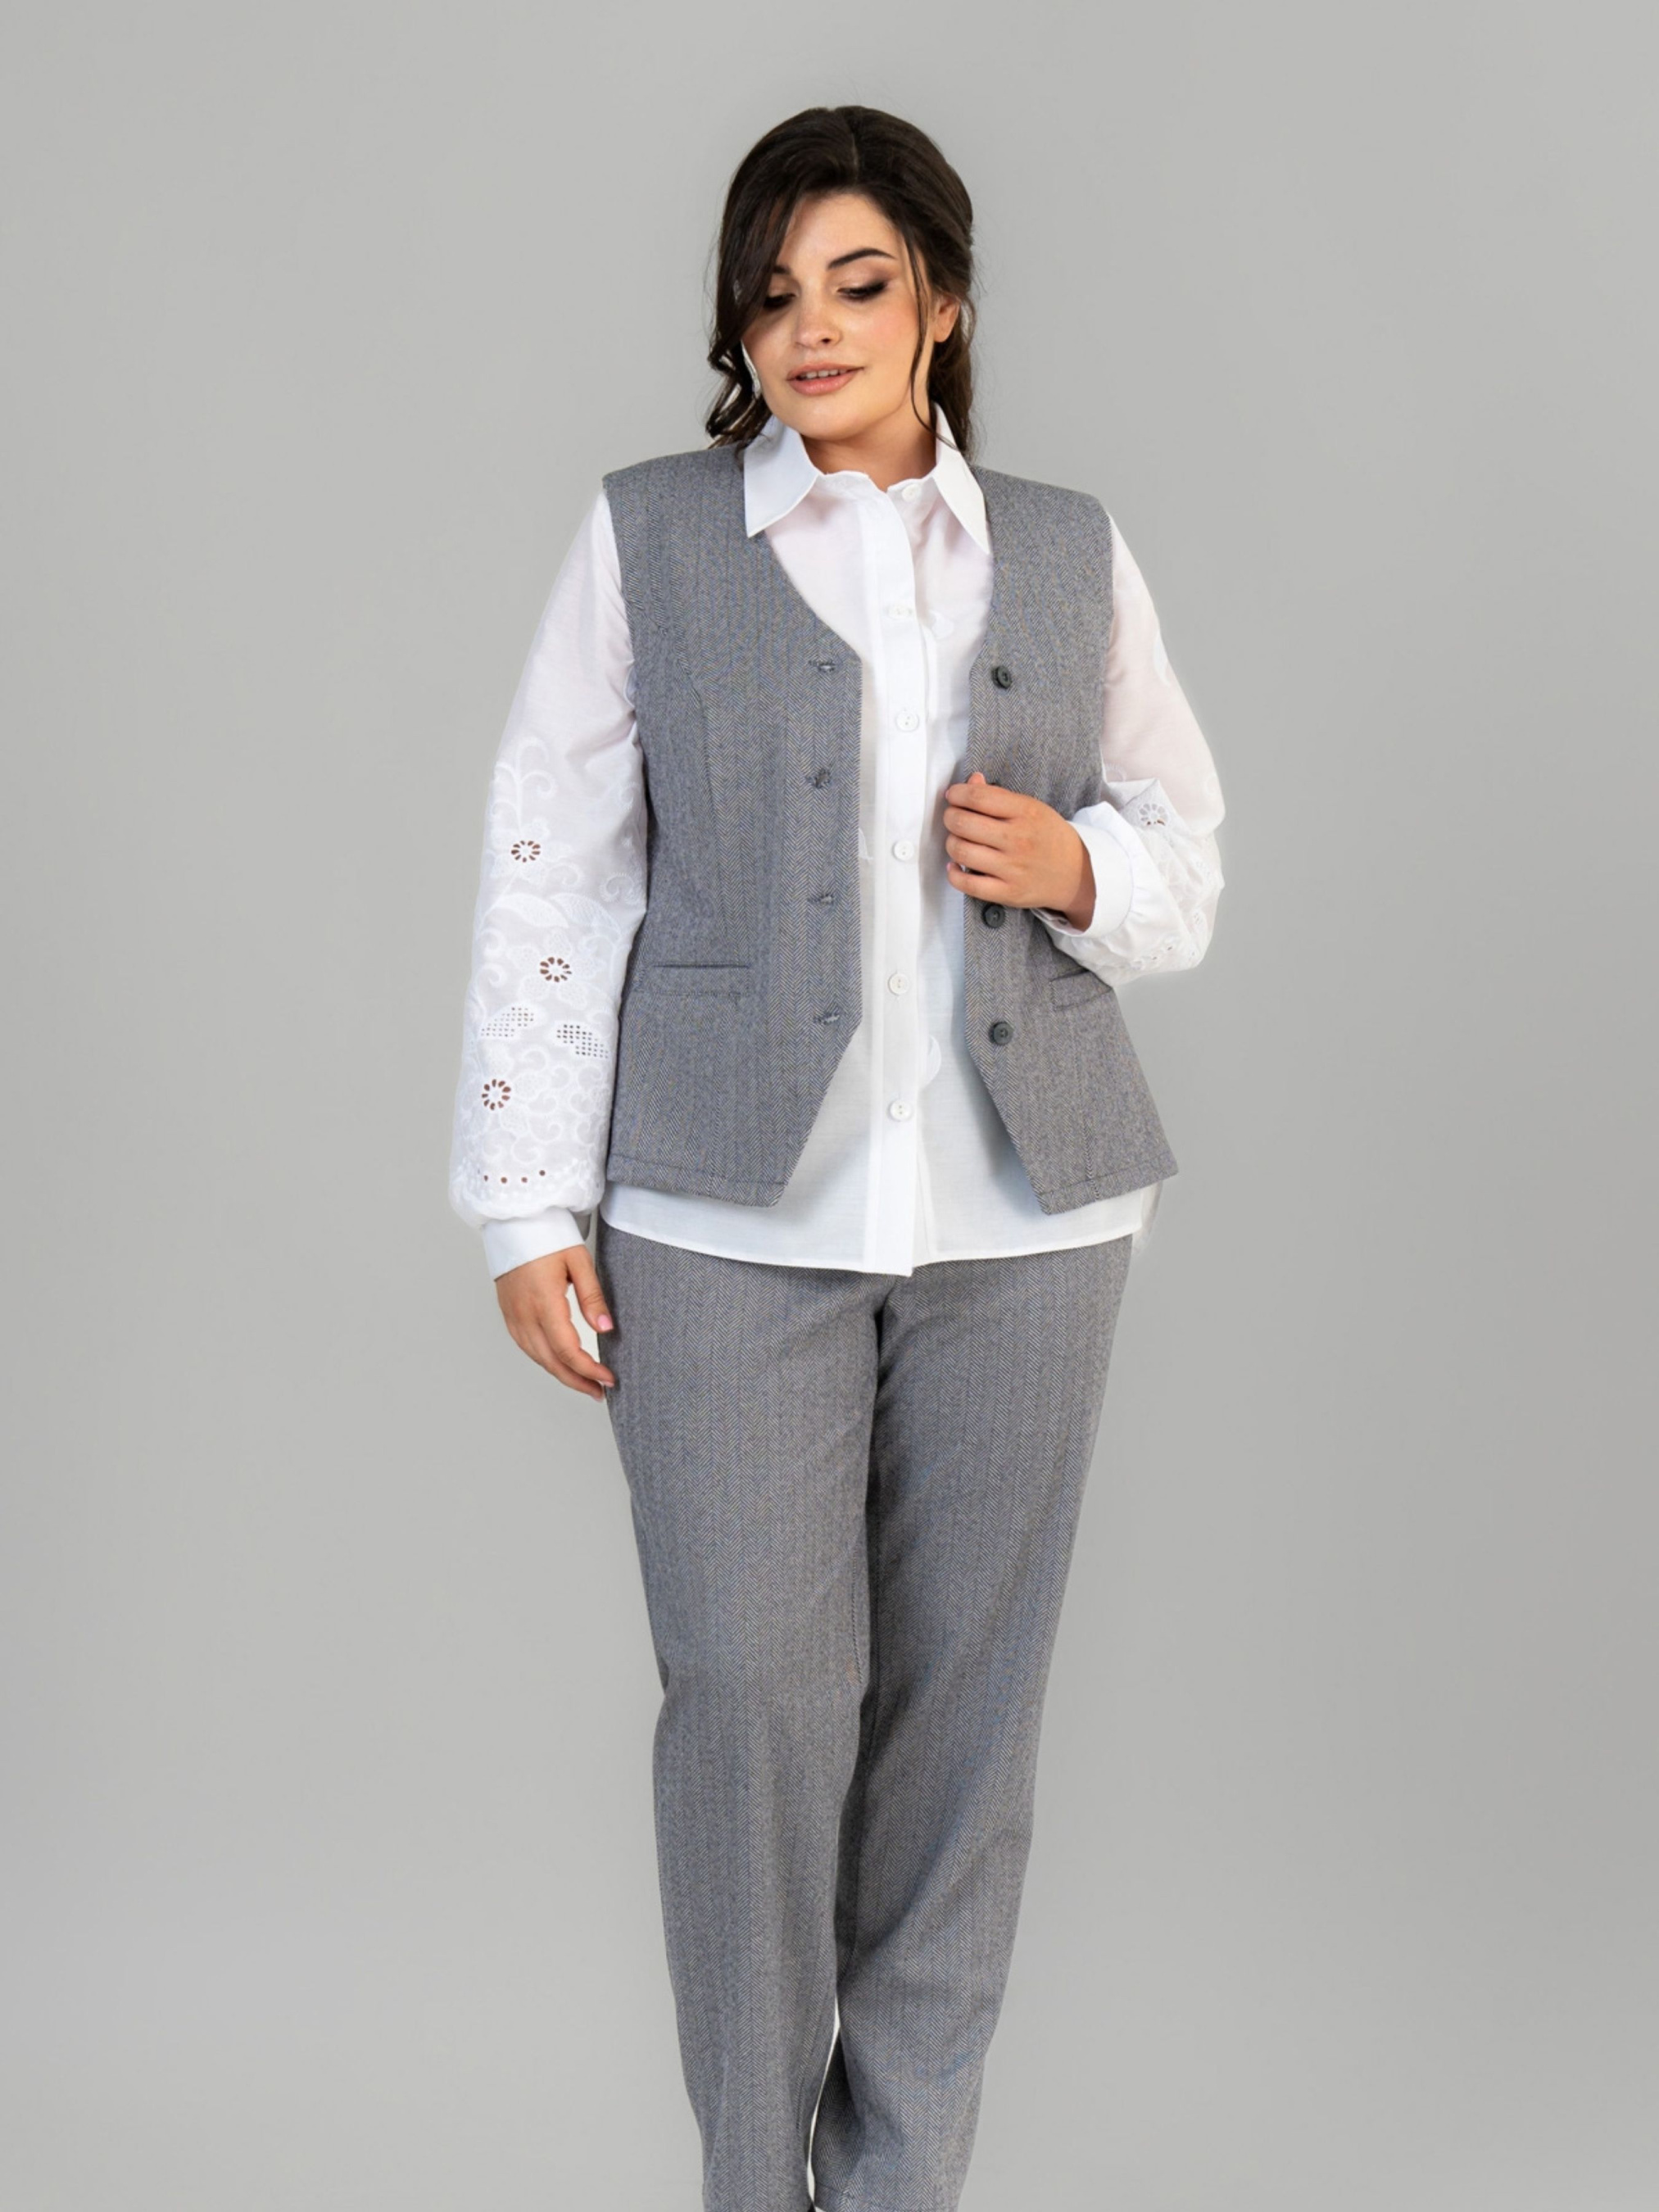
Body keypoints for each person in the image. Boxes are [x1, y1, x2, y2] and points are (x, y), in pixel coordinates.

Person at [449, 102, 1226, 2212]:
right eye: (774, 292)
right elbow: (551, 870)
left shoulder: (1064, 548)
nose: (811, 328)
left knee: (965, 1745)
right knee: (750, 1707)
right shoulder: (649, 538)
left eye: (858, 283)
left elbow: (1185, 851)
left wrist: (1079, 865)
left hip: (1030, 1212)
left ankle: (900, 2187)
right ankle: (752, 2182)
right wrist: (525, 1198)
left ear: (941, 304)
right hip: (720, 1210)